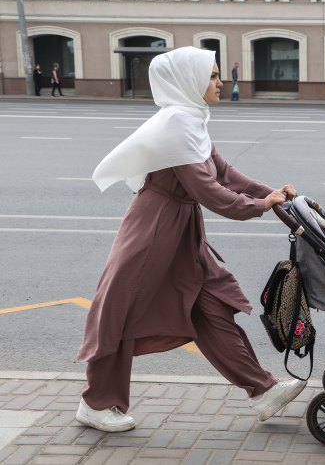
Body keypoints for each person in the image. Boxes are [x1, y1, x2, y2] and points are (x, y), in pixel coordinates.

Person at [76, 47, 306, 433]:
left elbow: (225, 173)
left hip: (181, 229)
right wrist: (259, 206)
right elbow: (210, 191)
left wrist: (277, 196)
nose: (220, 82)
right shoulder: (176, 125)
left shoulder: (191, 121)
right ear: (189, 81)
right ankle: (96, 403)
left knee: (211, 305)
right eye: (213, 75)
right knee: (122, 311)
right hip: (154, 230)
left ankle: (261, 389)